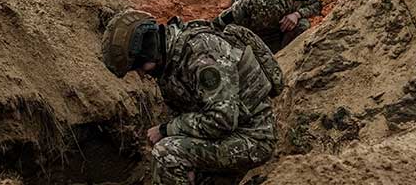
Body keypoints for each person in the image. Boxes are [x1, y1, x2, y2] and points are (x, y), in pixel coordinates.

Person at [101, 10, 281, 185]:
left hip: (252, 137)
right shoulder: (172, 57)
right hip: (229, 134)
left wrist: (167, 130)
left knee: (166, 155)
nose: (141, 74)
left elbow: (222, 120)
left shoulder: (202, 54)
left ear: (148, 51)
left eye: (138, 67)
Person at [215, 0, 322, 53]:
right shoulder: (240, 8)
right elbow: (215, 25)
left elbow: (316, 4)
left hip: (282, 34)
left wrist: (297, 14)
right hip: (255, 41)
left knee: (302, 24)